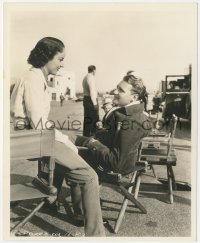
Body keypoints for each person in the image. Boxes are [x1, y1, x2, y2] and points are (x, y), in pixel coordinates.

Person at [10, 37, 105, 237]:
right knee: (90, 177)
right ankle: (96, 236)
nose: (62, 64)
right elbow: (39, 124)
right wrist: (65, 143)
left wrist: (64, 138)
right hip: (34, 139)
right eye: (60, 59)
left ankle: (54, 201)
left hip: (31, 136)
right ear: (47, 56)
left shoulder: (34, 77)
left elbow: (37, 121)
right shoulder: (34, 79)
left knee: (71, 138)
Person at [76, 74, 152, 176]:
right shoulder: (131, 114)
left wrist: (93, 143)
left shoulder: (131, 121)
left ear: (133, 98)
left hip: (111, 167)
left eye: (121, 90)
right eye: (117, 88)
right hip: (109, 156)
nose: (115, 92)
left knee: (65, 149)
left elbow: (115, 162)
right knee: (64, 139)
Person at [82, 65, 99, 137]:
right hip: (90, 100)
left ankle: (86, 135)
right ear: (94, 70)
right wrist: (95, 103)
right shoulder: (90, 77)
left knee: (87, 118)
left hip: (86, 99)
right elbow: (92, 91)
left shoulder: (85, 77)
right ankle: (91, 136)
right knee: (93, 119)